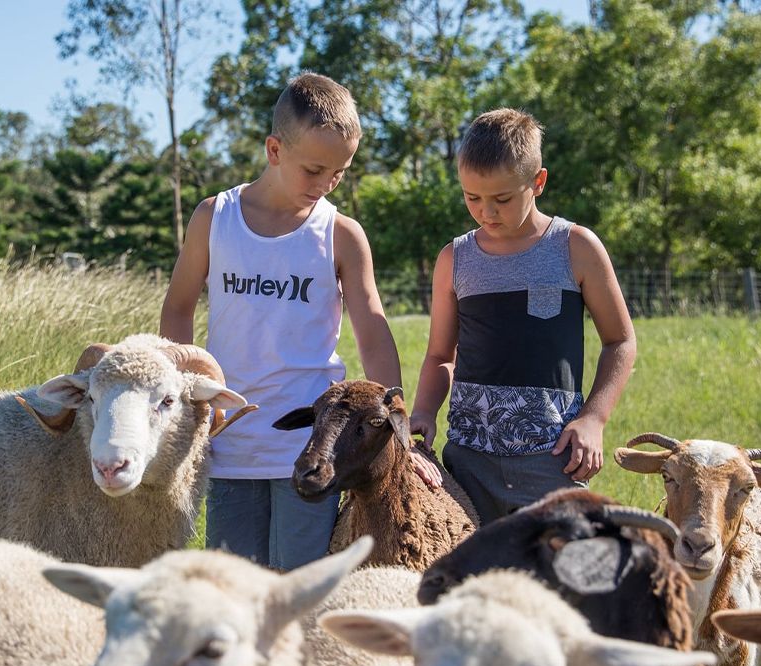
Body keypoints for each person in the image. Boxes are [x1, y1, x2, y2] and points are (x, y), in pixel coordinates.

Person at [161, 72, 434, 570]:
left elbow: (371, 327)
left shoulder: (342, 234)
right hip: (231, 442)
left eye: (340, 172)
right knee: (232, 589)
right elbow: (178, 307)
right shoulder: (213, 218)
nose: (327, 184)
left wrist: (396, 428)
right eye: (314, 169)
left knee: (301, 587)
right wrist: (181, 399)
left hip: (315, 447)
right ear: (274, 149)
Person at [409, 108, 637, 525]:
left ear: (538, 182)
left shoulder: (575, 247)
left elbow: (620, 341)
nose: (485, 212)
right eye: (472, 198)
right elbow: (441, 354)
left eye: (502, 199)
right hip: (468, 460)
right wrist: (424, 410)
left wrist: (593, 419)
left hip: (551, 460)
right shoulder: (454, 258)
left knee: (558, 575)